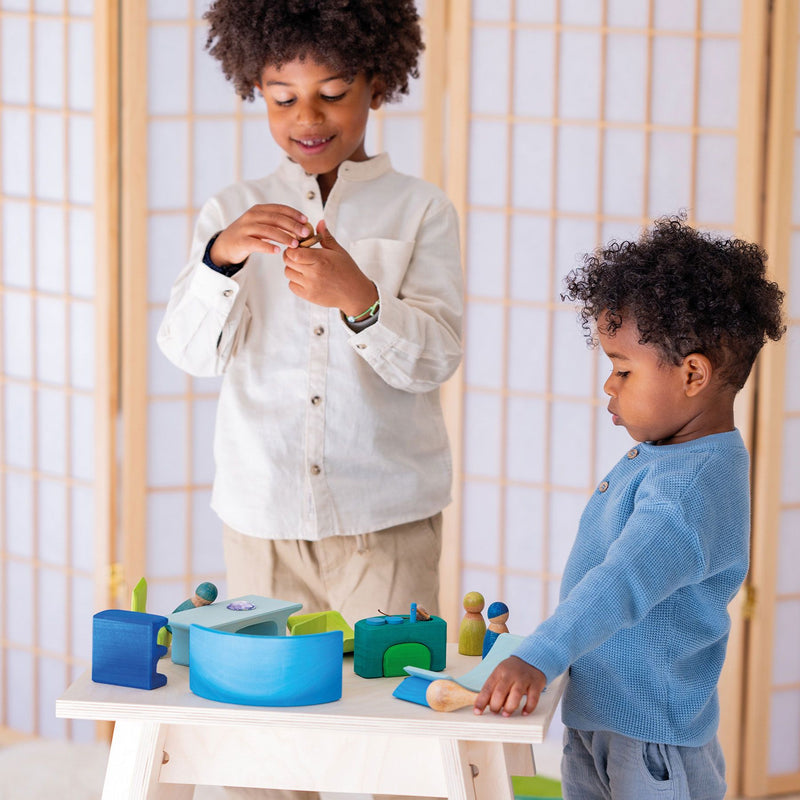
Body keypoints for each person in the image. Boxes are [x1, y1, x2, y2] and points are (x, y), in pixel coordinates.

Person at [474, 216, 785, 800]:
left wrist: (540, 655)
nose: (608, 386)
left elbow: (620, 581)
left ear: (693, 373)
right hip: (603, 720)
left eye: (622, 369)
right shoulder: (667, 453)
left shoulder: (690, 489)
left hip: (651, 743)